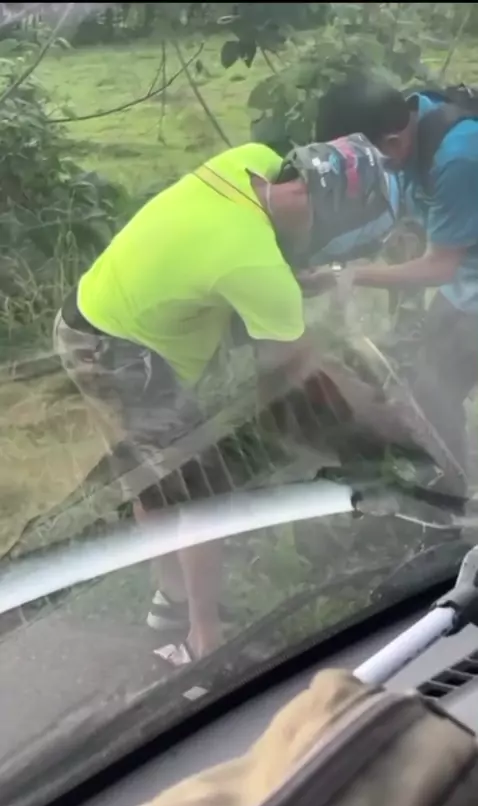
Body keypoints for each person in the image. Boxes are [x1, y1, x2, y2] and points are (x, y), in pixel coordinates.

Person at [54, 135, 398, 666]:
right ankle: (205, 645)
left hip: (87, 316)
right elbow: (294, 369)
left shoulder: (252, 162)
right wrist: (376, 410)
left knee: (154, 479)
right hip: (117, 352)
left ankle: (171, 600)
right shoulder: (254, 267)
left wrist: (293, 283)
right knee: (204, 494)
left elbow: (225, 254)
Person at [315, 74, 478, 488]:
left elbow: (439, 266)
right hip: (465, 283)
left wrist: (351, 275)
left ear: (391, 144)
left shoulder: (459, 157)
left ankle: (451, 499)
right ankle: (452, 496)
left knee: (434, 389)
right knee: (430, 391)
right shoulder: (412, 117)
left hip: (461, 280)